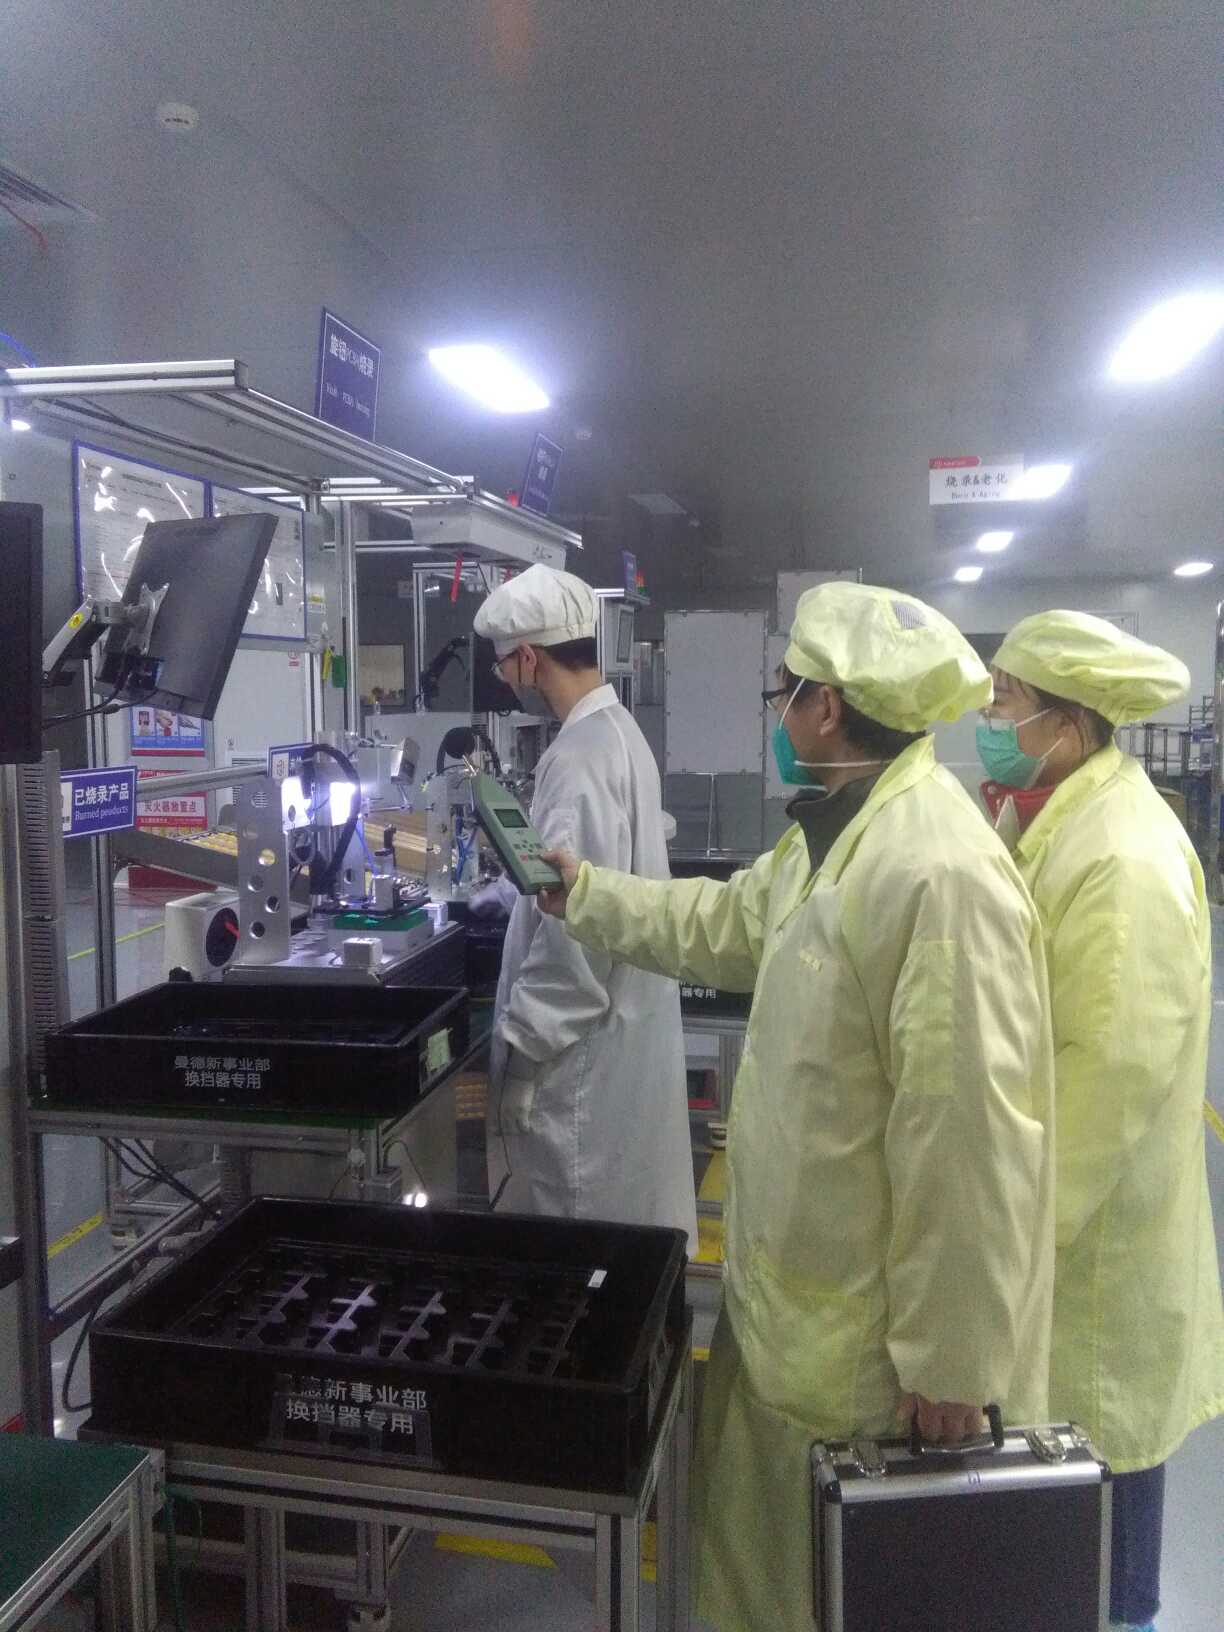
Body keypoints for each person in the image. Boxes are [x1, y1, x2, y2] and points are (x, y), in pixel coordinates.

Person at [537, 580, 1056, 1632]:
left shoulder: (938, 873)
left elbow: (965, 1142)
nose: (777, 715)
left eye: (784, 693)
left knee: (833, 1595)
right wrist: (584, 893)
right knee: (766, 1582)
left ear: (827, 707)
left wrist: (954, 1366)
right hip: (792, 1313)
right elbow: (720, 923)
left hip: (868, 1361)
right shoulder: (832, 834)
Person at [978, 610, 1224, 1632]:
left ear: (1068, 726)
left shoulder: (1124, 859)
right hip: (1074, 1260)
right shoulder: (1066, 816)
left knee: (1107, 1535)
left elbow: (1104, 1091)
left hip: (1097, 1273)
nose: (990, 720)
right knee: (1073, 1522)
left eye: (1005, 702)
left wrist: (1003, 1258)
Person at [472, 564, 697, 1252]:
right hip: (623, 1040)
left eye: (505, 665)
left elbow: (573, 939)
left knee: (579, 1253)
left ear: (528, 658)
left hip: (579, 1066)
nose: (507, 680)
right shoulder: (619, 731)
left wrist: (521, 1050)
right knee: (621, 1247)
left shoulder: (575, 759)